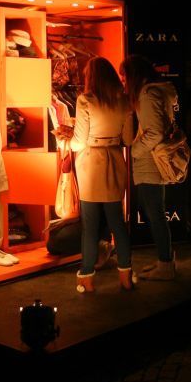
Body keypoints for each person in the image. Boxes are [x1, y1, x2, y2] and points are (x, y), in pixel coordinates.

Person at [56, 56, 135, 292]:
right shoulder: (124, 100)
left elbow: (79, 142)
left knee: (90, 225)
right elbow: (128, 139)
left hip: (91, 163)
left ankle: (87, 277)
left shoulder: (85, 100)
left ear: (91, 77)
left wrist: (67, 138)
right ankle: (126, 275)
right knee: (117, 222)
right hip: (114, 159)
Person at [119, 54, 177, 280]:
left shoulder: (147, 94)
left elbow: (155, 132)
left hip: (151, 162)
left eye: (125, 77)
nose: (123, 81)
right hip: (153, 161)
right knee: (156, 213)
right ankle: (165, 260)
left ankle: (165, 264)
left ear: (134, 75)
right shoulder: (155, 92)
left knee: (155, 214)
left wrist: (135, 151)